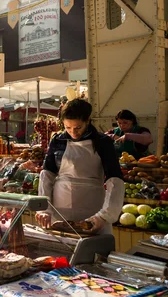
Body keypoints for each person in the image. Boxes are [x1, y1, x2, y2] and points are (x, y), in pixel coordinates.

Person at [36, 99, 124, 235]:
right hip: (60, 210)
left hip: (93, 209)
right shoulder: (58, 140)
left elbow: (115, 179)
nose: (73, 132)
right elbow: (47, 175)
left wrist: (104, 216)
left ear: (87, 121)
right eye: (68, 127)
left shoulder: (103, 142)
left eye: (78, 127)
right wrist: (44, 209)